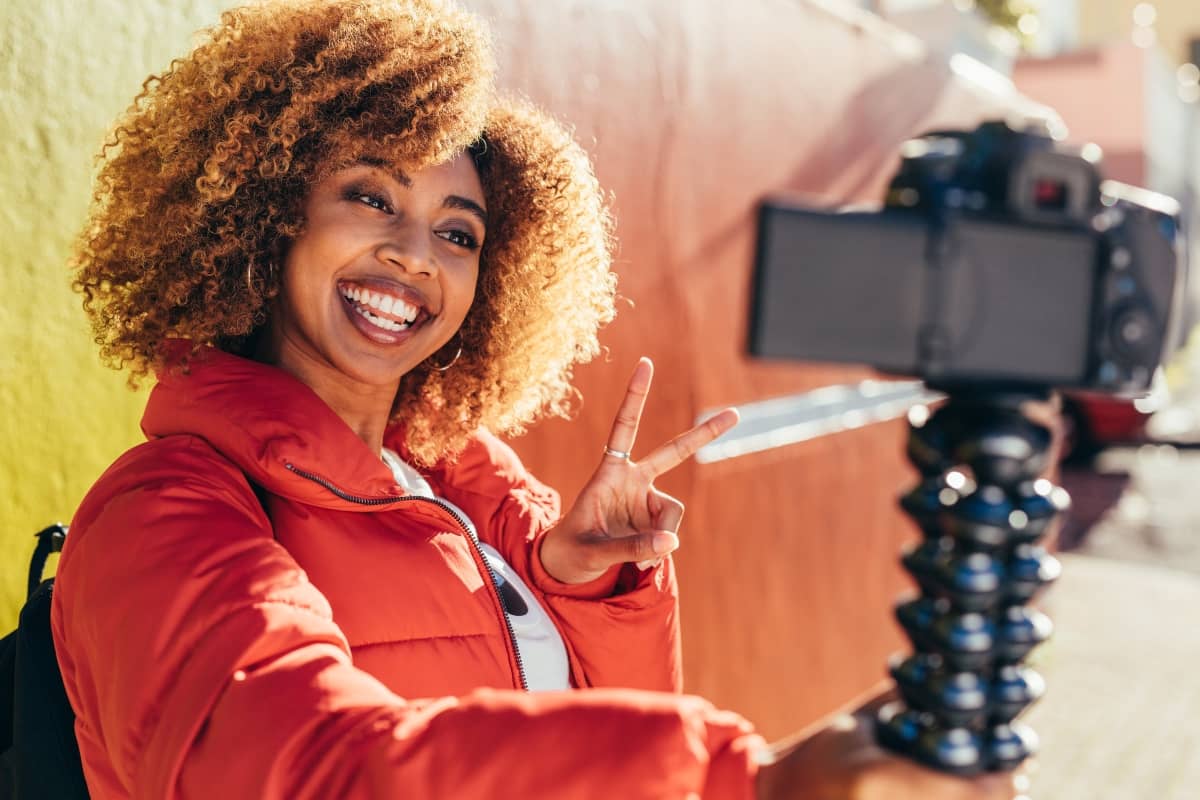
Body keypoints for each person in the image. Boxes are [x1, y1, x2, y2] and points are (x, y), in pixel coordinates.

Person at [52, 0, 1024, 797]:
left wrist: (588, 589)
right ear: (265, 214)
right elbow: (313, 770)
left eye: (461, 232)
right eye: (371, 197)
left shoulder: (469, 487)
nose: (414, 254)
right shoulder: (163, 510)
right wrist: (745, 785)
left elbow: (586, 729)